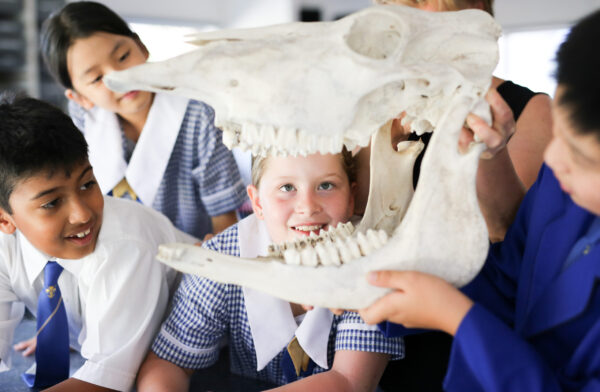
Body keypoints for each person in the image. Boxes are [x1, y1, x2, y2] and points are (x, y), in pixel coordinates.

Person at [360, 9, 600, 391]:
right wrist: (375, 279)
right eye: (560, 137)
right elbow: (510, 276)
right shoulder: (559, 185)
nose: (553, 160)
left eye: (579, 153)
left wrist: (456, 316)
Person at [135, 151, 404, 391]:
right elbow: (170, 362)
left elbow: (349, 381)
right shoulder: (221, 260)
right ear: (258, 203)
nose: (308, 207)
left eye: (326, 185)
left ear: (351, 197)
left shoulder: (371, 259)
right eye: (287, 187)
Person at [0, 94, 197, 390]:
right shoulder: (5, 247)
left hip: (205, 354)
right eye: (52, 203)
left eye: (87, 184)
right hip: (109, 343)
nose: (82, 214)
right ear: (5, 220)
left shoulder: (126, 243)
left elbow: (105, 381)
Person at [40, 1, 246, 241]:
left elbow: (225, 217)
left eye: (123, 56)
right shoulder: (83, 117)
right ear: (80, 98)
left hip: (190, 250)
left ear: (142, 47)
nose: (120, 79)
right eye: (97, 78)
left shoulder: (199, 113)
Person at [357, 0, 553, 243]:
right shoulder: (376, 107)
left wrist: (488, 156)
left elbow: (513, 238)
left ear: (472, 9)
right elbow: (352, 214)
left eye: (416, 1)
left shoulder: (533, 111)